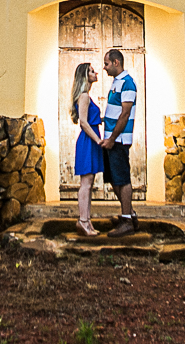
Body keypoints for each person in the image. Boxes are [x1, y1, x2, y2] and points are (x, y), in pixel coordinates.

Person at [100, 48, 138, 237]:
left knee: (122, 179)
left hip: (119, 140)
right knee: (114, 179)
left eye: (106, 63)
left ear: (116, 62)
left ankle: (127, 221)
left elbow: (125, 114)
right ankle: (129, 213)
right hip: (111, 139)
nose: (104, 67)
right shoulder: (117, 82)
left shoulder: (127, 83)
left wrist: (112, 139)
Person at [70, 62, 104, 236]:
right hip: (88, 141)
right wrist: (98, 140)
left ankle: (87, 221)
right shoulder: (84, 96)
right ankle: (83, 221)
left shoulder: (86, 96)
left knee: (89, 183)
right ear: (85, 76)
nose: (95, 73)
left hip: (90, 140)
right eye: (91, 71)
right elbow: (83, 122)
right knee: (86, 184)